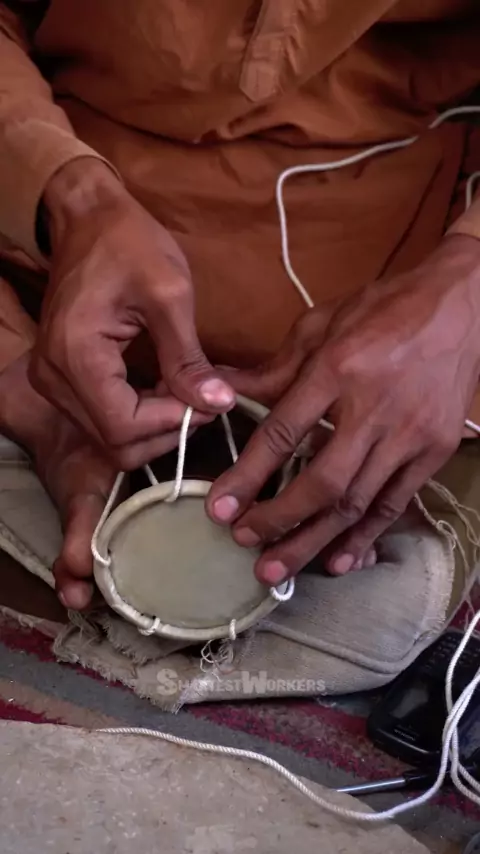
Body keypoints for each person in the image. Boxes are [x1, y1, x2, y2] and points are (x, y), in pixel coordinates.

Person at [0, 0, 479, 611]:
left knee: (381, 604)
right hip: (35, 250)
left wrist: (466, 288)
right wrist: (71, 196)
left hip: (419, 307)